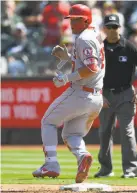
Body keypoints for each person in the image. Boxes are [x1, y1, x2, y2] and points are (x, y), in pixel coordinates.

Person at [32, 4, 105, 183]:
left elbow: (91, 68)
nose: (72, 23)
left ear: (86, 19)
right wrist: (69, 58)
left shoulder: (84, 38)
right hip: (96, 97)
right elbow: (87, 63)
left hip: (81, 92)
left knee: (48, 121)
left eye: (76, 19)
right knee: (71, 134)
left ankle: (50, 164)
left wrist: (66, 78)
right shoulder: (94, 34)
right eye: (71, 19)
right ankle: (83, 156)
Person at [94, 14, 137, 178]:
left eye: (115, 27)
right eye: (109, 27)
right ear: (104, 29)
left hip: (126, 94)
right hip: (105, 95)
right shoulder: (99, 48)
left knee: (127, 132)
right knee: (104, 132)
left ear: (120, 28)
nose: (112, 30)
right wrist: (99, 94)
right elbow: (92, 73)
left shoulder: (130, 47)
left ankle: (131, 170)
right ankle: (106, 169)